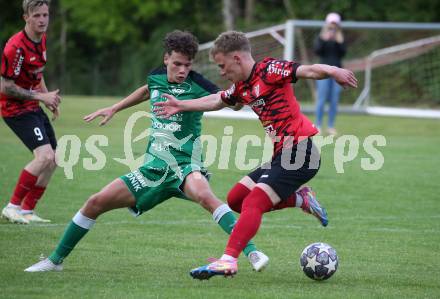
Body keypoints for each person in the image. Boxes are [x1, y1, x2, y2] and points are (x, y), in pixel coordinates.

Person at [24, 30, 269, 272]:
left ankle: (252, 252)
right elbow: (146, 90)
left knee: (206, 195)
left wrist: (242, 90)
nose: (182, 70)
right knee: (94, 202)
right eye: (177, 64)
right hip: (151, 170)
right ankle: (54, 261)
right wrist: (115, 108)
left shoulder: (197, 84)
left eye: (187, 65)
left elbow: (229, 101)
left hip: (185, 165)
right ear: (166, 59)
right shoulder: (156, 77)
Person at [154, 30, 357, 279]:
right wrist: (181, 104)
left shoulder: (269, 70)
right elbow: (218, 100)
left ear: (237, 58)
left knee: (254, 202)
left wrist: (334, 71)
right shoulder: (242, 86)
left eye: (222, 65)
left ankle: (228, 260)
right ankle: (301, 199)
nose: (221, 72)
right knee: (237, 199)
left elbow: (309, 70)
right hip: (282, 155)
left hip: (300, 152)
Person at [1, 0, 61, 224]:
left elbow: (37, 73)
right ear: (26, 17)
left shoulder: (41, 38)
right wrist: (40, 97)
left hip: (32, 106)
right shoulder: (15, 47)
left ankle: (27, 210)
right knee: (43, 156)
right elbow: (5, 86)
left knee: (54, 159)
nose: (42, 20)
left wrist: (48, 99)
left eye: (45, 15)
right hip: (14, 109)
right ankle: (11, 207)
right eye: (36, 16)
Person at [314, 12, 347, 136]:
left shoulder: (340, 38)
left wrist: (338, 40)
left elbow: (343, 53)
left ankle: (331, 126)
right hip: (322, 72)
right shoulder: (321, 37)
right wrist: (324, 39)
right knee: (321, 99)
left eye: (335, 25)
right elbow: (317, 51)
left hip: (337, 73)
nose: (332, 28)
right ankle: (317, 125)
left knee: (334, 100)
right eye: (331, 25)